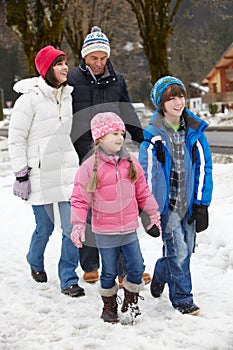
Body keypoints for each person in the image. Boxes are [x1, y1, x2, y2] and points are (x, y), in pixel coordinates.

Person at [67, 26, 151, 285]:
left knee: (123, 201)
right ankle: (90, 264)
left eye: (103, 58)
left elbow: (127, 111)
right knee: (91, 205)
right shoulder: (73, 78)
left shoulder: (117, 79)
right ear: (84, 57)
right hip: (86, 150)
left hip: (115, 146)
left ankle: (126, 269)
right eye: (94, 58)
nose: (99, 63)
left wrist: (142, 137)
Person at [8, 45, 85, 297]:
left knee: (72, 228)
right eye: (59, 63)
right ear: (46, 69)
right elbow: (16, 138)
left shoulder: (69, 96)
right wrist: (21, 173)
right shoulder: (28, 100)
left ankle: (68, 278)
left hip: (66, 171)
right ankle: (34, 259)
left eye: (66, 63)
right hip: (39, 174)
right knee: (44, 228)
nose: (65, 68)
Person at [70, 112, 161, 323]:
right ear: (99, 138)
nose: (120, 137)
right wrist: (78, 225)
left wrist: (153, 215)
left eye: (121, 133)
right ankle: (109, 307)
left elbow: (143, 192)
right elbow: (79, 200)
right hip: (105, 231)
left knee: (137, 266)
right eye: (114, 133)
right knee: (109, 271)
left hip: (129, 228)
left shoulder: (131, 162)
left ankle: (131, 302)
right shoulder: (89, 167)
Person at [139, 76, 213, 315]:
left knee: (185, 250)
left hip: (189, 205)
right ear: (160, 103)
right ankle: (183, 298)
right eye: (171, 98)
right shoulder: (153, 137)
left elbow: (204, 168)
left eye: (180, 96)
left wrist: (202, 205)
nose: (178, 102)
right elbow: (146, 177)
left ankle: (161, 273)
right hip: (167, 208)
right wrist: (149, 211)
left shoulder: (195, 133)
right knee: (178, 252)